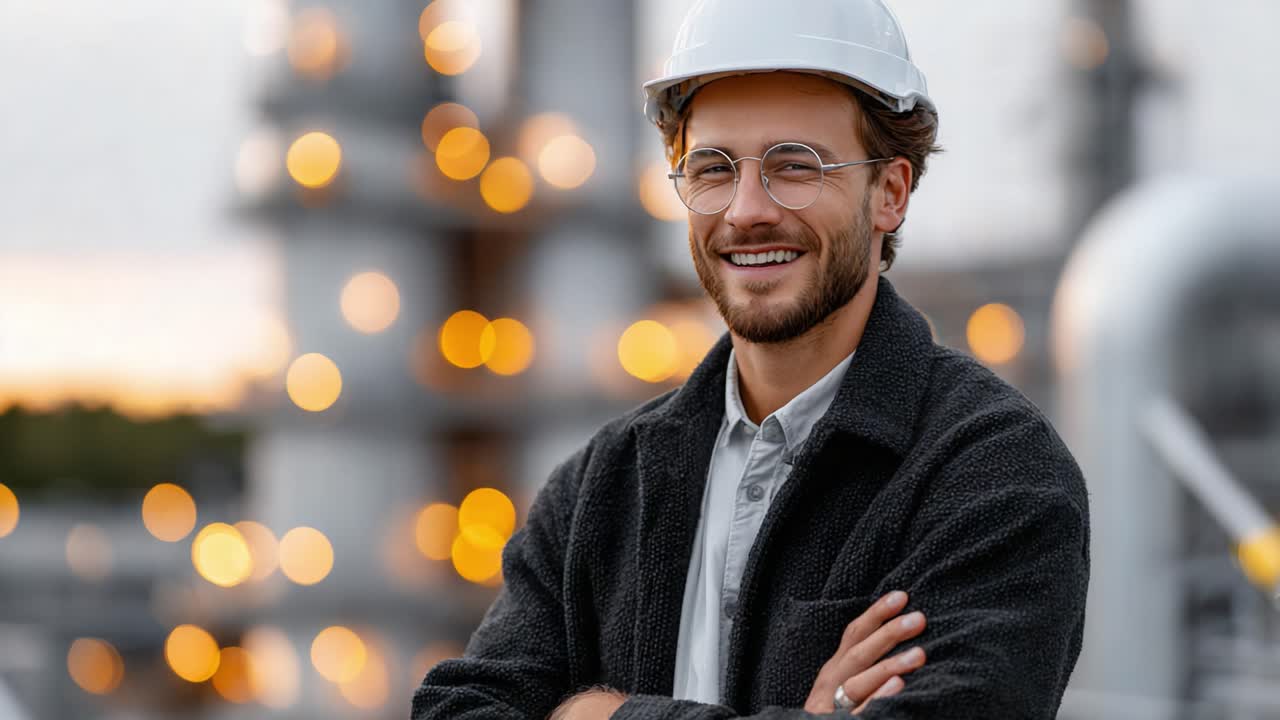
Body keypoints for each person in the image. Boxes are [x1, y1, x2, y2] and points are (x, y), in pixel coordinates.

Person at [411, 0, 1089, 717]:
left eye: (795, 166)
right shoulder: (604, 485)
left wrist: (600, 714)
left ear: (889, 192)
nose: (744, 211)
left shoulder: (992, 474)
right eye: (712, 167)